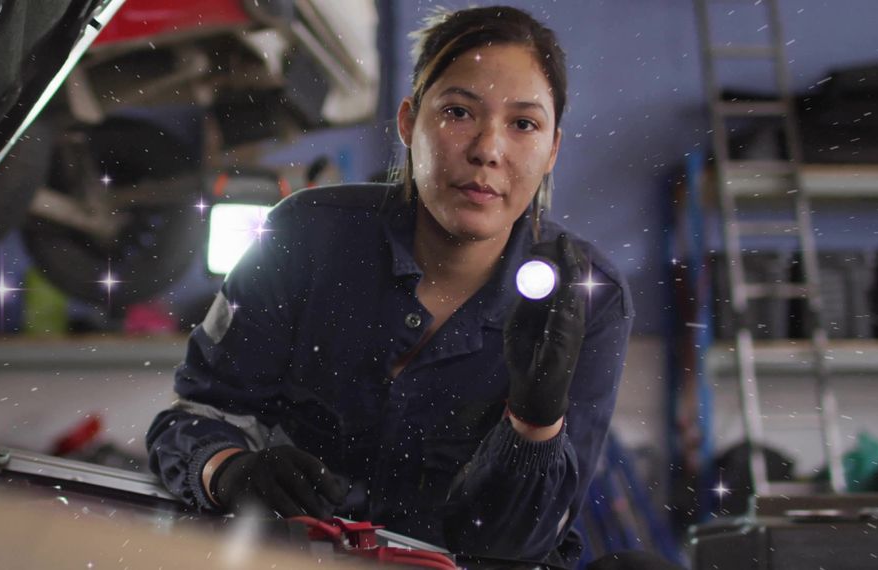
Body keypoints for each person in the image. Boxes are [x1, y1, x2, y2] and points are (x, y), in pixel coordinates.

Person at [147, 5, 639, 567]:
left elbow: (516, 546)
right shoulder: (305, 237)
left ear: (552, 149)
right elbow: (192, 419)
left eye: (523, 124)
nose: (487, 149)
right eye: (458, 111)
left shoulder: (587, 301)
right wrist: (227, 469)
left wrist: (534, 424)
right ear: (408, 122)